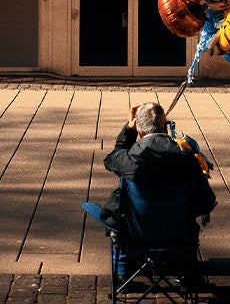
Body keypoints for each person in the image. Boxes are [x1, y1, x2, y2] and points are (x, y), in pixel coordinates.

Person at [84, 101, 216, 284]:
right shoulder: (187, 161)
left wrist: (128, 131)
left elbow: (111, 159)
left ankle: (123, 272)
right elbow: (206, 202)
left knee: (116, 218)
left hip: (135, 236)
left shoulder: (129, 159)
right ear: (165, 126)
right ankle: (187, 273)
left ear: (138, 128)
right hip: (178, 236)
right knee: (187, 223)